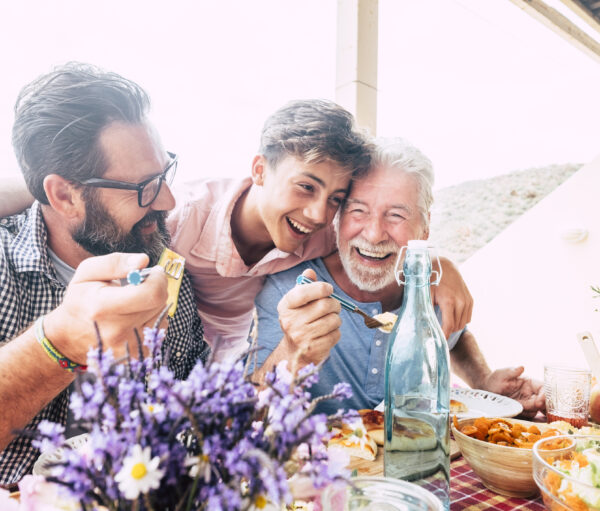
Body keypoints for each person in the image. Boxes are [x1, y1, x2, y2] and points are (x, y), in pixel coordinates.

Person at [0, 97, 474, 362]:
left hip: (230, 350)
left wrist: (435, 262)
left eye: (334, 199)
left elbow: (376, 239)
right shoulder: (177, 217)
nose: (315, 213)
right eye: (305, 187)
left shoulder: (325, 230)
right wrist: (44, 185)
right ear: (260, 171)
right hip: (185, 345)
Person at [0, 63, 209, 485]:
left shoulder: (160, 264)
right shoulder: (4, 265)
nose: (167, 199)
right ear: (64, 195)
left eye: (164, 173)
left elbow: (194, 410)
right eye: (144, 186)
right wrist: (59, 341)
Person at [249, 137, 545, 418]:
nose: (374, 234)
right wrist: (292, 353)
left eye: (396, 216)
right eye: (358, 210)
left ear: (424, 228)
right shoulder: (288, 290)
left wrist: (483, 382)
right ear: (337, 218)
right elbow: (244, 415)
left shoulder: (430, 288)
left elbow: (453, 338)